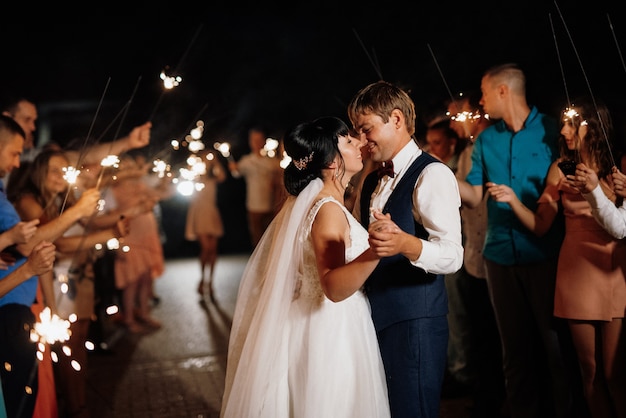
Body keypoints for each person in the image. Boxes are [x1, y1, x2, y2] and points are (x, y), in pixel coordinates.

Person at [221, 116, 390, 418]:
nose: (359, 143)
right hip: (330, 329)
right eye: (349, 141)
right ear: (330, 163)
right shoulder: (327, 211)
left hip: (319, 324)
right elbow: (333, 287)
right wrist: (377, 250)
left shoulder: (325, 205)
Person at [457, 63, 580, 418]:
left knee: (555, 348)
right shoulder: (486, 140)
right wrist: (440, 176)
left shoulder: (552, 131)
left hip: (544, 253)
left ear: (502, 91)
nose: (480, 100)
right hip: (498, 255)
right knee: (513, 351)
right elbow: (474, 195)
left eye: (483, 91)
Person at [347, 80, 464, 418]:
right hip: (375, 317)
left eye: (366, 128)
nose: (362, 139)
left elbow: (453, 255)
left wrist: (406, 244)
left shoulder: (432, 174)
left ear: (395, 120)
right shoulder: (372, 179)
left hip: (415, 322)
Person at [513, 98, 626, 418]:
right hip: (576, 272)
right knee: (588, 370)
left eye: (571, 123)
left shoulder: (618, 166)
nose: (563, 130)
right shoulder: (560, 168)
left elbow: (621, 224)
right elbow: (541, 225)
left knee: (615, 372)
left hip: (614, 268)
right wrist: (512, 200)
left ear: (592, 128)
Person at [10, 148, 131, 418]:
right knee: (64, 349)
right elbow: (58, 243)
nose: (59, 176)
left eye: (63, 170)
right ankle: (76, 408)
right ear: (39, 171)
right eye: (53, 169)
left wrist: (117, 222)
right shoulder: (29, 202)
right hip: (50, 284)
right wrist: (107, 232)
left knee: (78, 343)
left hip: (77, 277)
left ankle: (79, 403)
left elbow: (91, 221)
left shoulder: (61, 200)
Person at [0, 115, 99, 418]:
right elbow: (34, 249)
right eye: (14, 153)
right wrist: (13, 242)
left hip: (26, 301)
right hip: (11, 308)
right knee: (19, 399)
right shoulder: (26, 202)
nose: (18, 162)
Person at [444, 90, 506, 416]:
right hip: (473, 254)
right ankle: (484, 393)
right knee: (479, 328)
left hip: (497, 250)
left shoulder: (494, 144)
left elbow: (477, 197)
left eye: (462, 113)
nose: (457, 122)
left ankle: (495, 395)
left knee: (497, 332)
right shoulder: (469, 151)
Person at [228, 125, 283, 248]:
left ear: (263, 141)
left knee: (271, 240)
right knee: (257, 240)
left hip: (270, 206)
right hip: (254, 206)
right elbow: (237, 173)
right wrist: (233, 168)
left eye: (259, 140)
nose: (256, 143)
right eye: (254, 140)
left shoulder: (272, 161)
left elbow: (281, 176)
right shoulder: (247, 161)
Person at [185, 151, 226, 298]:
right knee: (206, 248)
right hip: (200, 214)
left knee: (213, 250)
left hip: (212, 214)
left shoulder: (213, 178)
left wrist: (215, 161)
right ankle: (202, 278)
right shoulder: (193, 178)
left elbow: (222, 176)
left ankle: (210, 282)